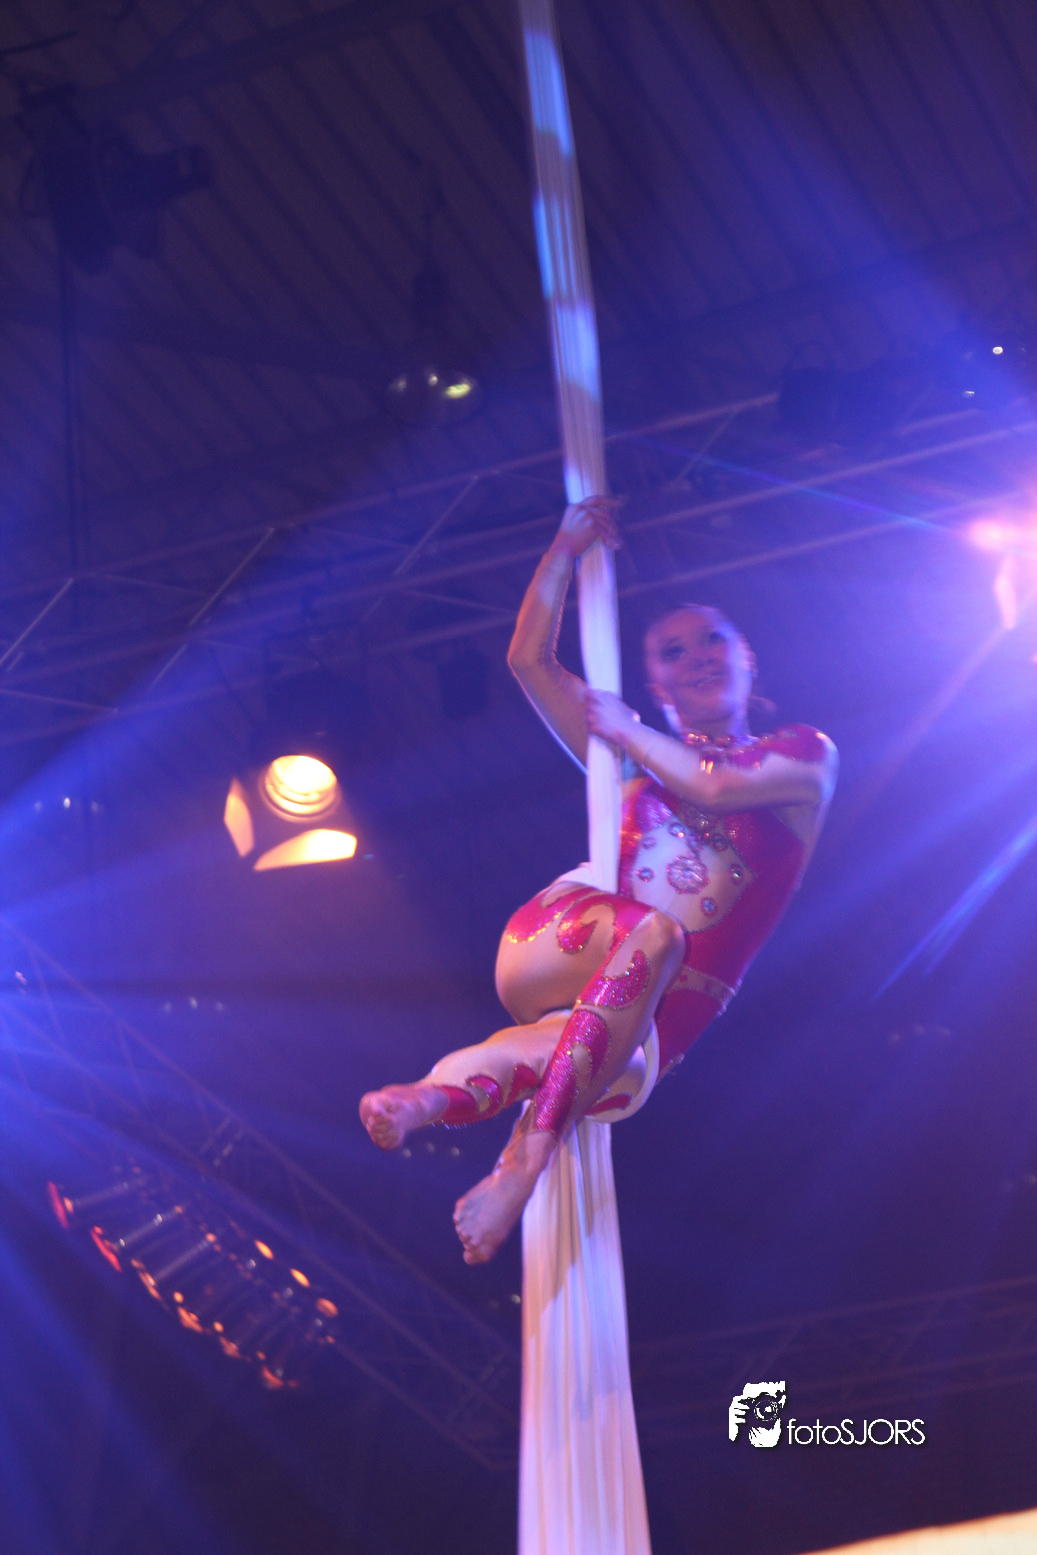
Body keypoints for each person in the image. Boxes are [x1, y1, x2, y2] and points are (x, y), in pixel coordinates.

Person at [360, 496, 837, 1264]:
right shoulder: (624, 760)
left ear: (748, 657)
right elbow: (528, 660)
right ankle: (523, 1163)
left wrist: (625, 730)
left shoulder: (804, 757)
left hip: (645, 1025)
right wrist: (561, 551)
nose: (698, 656)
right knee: (656, 934)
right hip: (560, 940)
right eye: (674, 652)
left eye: (713, 640)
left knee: (562, 1061)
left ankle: (423, 1099)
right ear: (656, 685)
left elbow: (715, 785)